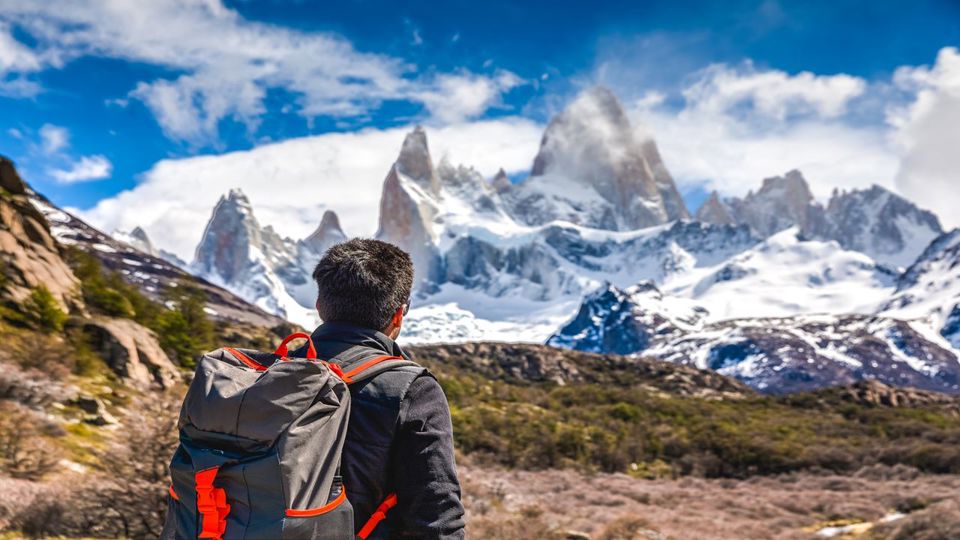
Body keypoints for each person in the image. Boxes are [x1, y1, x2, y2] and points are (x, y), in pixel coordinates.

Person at [292, 238, 466, 539]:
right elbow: (437, 518)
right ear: (398, 314)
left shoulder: (273, 373)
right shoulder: (412, 390)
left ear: (320, 306)